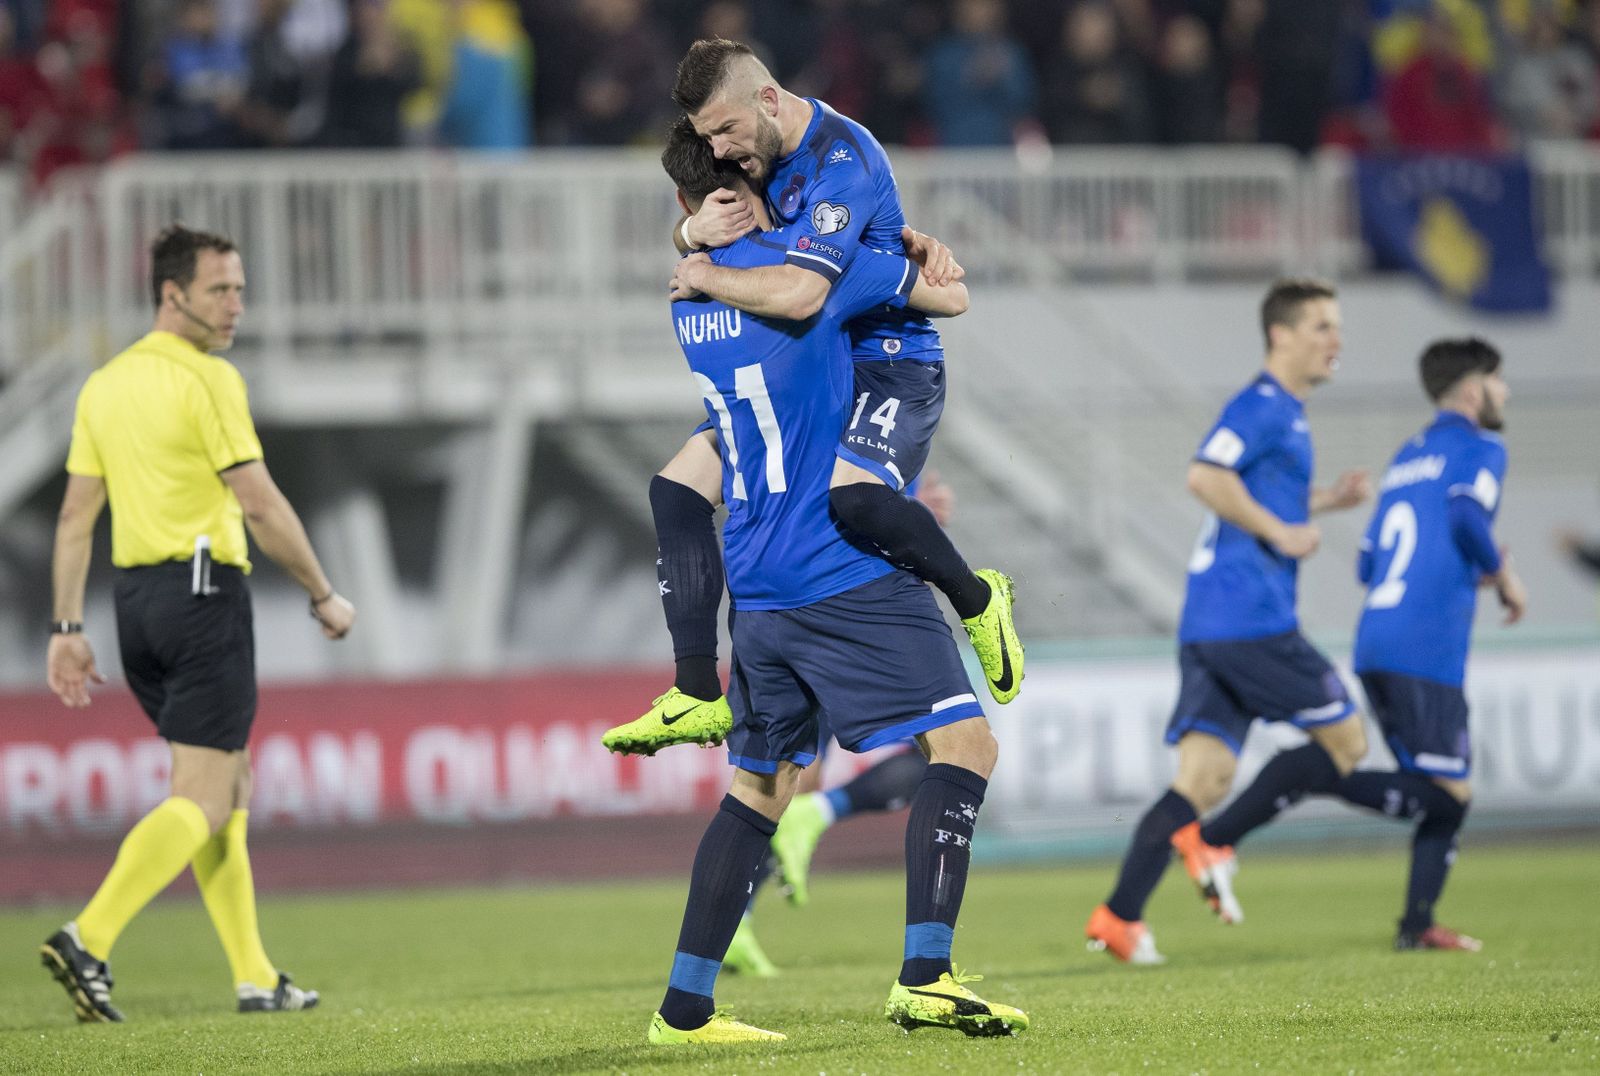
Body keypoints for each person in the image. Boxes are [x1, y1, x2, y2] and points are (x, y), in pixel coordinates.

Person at [642, 122, 1026, 1044]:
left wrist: (690, 249)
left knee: (757, 793)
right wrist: (915, 250)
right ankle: (926, 977)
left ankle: (685, 1010)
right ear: (747, 195)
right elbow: (943, 294)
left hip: (757, 585)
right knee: (967, 748)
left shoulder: (690, 303)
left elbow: (677, 481)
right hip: (839, 571)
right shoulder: (806, 281)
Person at [601, 37, 1023, 758]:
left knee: (852, 497)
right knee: (676, 488)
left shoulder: (842, 158)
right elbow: (754, 233)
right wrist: (686, 231)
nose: (724, 152)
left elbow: (804, 291)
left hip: (887, 363)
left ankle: (978, 600)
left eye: (725, 132)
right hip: (811, 359)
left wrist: (701, 271)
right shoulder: (760, 152)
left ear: (767, 101)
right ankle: (697, 691)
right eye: (710, 140)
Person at [40, 224, 356, 1022]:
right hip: (203, 596)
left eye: (240, 288)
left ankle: (255, 976)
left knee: (227, 782)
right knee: (206, 795)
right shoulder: (207, 380)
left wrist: (66, 628)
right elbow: (257, 502)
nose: (236, 304)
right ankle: (90, 936)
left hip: (135, 605)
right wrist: (322, 592)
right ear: (171, 294)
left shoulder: (104, 385)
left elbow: (77, 517)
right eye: (220, 289)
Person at [1085, 278, 1372, 965]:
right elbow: (1206, 476)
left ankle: (1119, 916)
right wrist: (1284, 531)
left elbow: (1258, 487)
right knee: (1348, 743)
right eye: (1322, 327)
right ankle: (1218, 841)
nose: (1336, 339)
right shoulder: (1264, 404)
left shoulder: (1286, 414)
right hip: (1251, 618)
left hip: (1211, 622)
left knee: (1202, 779)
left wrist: (1325, 502)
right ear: (1281, 334)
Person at [1296, 338, 1520, 951]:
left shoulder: (1407, 456)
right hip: (1427, 651)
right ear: (1474, 390)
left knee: (1437, 791)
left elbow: (1368, 563)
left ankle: (1417, 925)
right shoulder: (1482, 447)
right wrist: (1502, 576)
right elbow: (1467, 512)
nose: (1505, 394)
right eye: (1499, 383)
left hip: (1377, 641)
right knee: (1451, 795)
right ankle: (1316, 774)